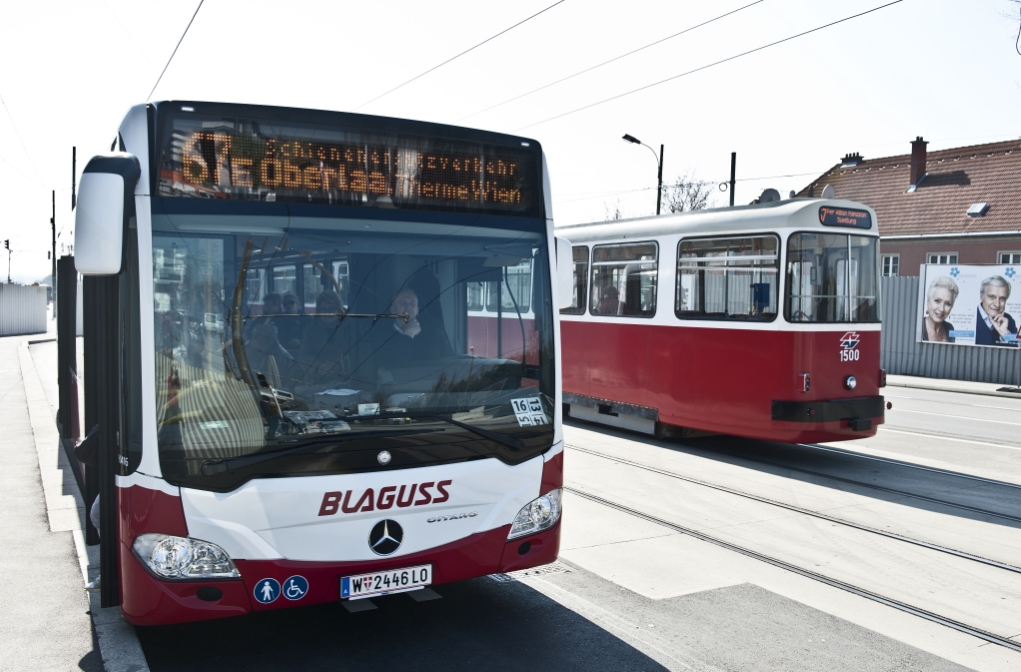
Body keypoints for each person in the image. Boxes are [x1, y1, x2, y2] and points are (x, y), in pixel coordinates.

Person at [373, 288, 452, 371]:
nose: (408, 307)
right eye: (402, 303)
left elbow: (450, 364)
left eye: (412, 303)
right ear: (393, 310)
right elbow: (391, 367)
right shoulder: (381, 336)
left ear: (417, 310)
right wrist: (408, 335)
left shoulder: (435, 333)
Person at [297, 290, 348, 381]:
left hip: (345, 378)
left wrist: (339, 365)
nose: (327, 313)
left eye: (331, 309)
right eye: (323, 310)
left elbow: (356, 354)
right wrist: (318, 367)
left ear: (339, 310)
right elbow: (303, 355)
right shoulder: (311, 328)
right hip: (317, 379)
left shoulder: (349, 327)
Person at [974, 276, 1017, 346]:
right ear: (981, 297)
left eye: (1002, 299)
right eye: (992, 297)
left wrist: (1005, 334)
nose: (997, 304)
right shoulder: (971, 317)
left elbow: (1017, 352)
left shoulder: (1008, 320)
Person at [920, 276, 958, 343]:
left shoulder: (950, 328)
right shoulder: (918, 328)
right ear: (928, 302)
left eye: (948, 304)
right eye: (937, 301)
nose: (942, 309)